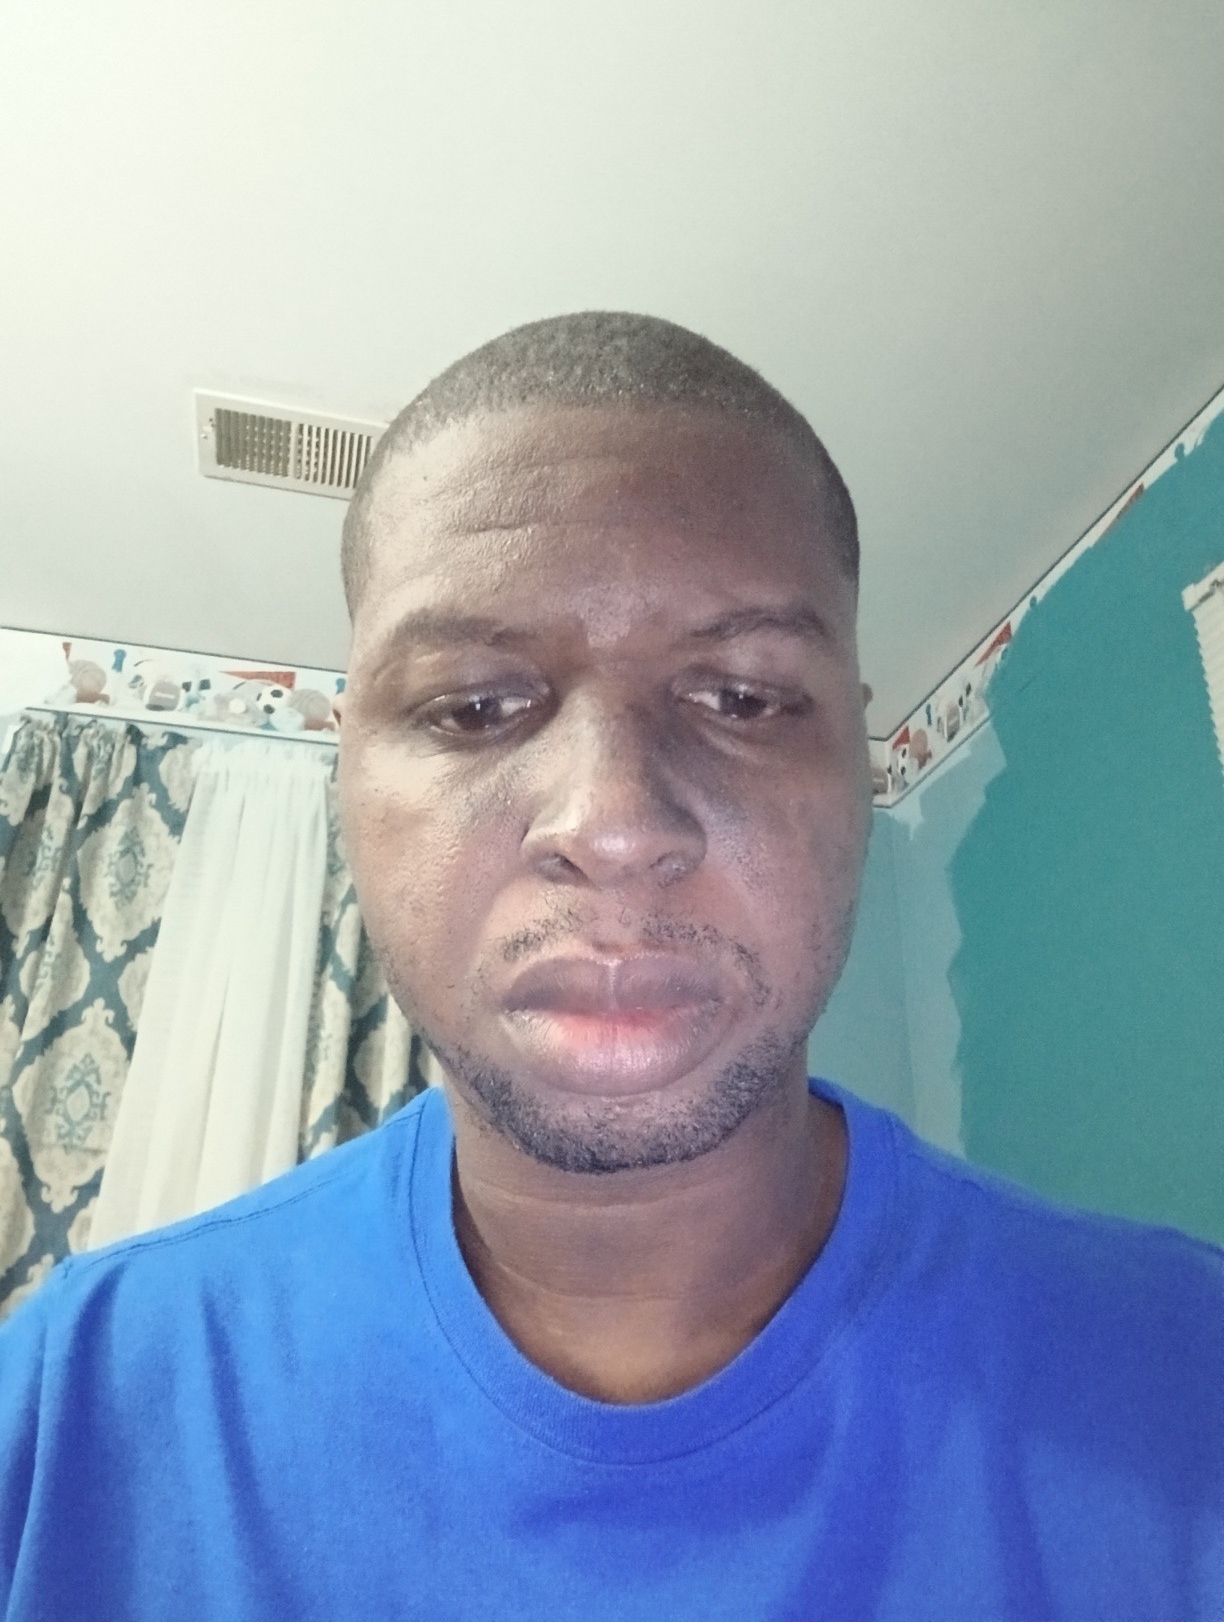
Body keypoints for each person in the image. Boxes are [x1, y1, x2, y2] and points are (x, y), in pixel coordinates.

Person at [1, 313, 1221, 1621]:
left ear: (857, 769)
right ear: (347, 774)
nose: (615, 824)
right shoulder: (74, 1405)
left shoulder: (1185, 1382)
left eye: (742, 698)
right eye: (475, 705)